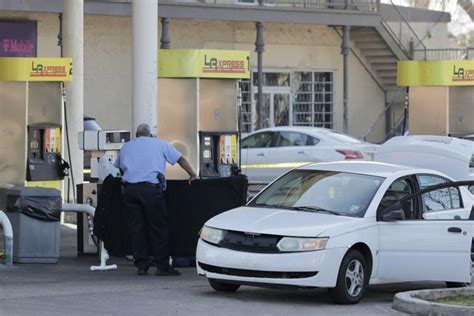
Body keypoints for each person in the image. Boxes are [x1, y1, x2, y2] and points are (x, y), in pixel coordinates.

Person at [114, 123, 198, 276]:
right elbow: (180, 159)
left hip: (130, 190)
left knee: (137, 229)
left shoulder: (127, 147)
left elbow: (119, 167)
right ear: (150, 134)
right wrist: (192, 174)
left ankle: (141, 266)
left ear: (137, 135)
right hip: (151, 190)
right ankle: (162, 267)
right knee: (158, 228)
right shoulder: (159, 143)